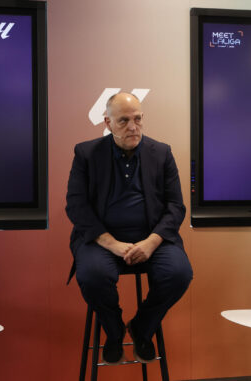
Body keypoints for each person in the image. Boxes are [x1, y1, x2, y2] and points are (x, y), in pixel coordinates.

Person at [65, 92, 193, 364]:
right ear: (108, 123)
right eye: (124, 121)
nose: (133, 127)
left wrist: (151, 242)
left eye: (138, 119)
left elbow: (176, 207)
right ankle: (113, 333)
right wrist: (111, 243)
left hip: (152, 239)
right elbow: (76, 207)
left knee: (179, 274)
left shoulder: (161, 153)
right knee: (93, 276)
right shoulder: (86, 154)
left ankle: (142, 328)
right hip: (103, 241)